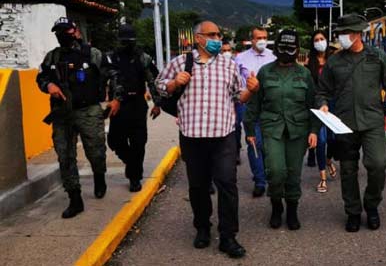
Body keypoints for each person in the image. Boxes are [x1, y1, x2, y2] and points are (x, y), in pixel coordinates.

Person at [156, 21, 257, 258]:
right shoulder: (181, 62)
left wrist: (252, 89)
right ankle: (202, 228)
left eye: (219, 35)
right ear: (198, 38)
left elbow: (238, 96)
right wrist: (173, 83)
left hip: (223, 135)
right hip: (192, 136)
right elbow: (159, 87)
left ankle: (228, 236)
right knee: (198, 187)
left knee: (227, 184)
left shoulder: (228, 65)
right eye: (211, 34)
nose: (217, 38)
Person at [316, 13, 386, 232]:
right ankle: (353, 211)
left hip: (373, 122)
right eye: (340, 33)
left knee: (378, 164)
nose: (341, 37)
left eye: (345, 33)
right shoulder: (335, 61)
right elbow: (322, 90)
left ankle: (372, 205)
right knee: (348, 170)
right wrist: (322, 104)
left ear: (358, 34)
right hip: (344, 124)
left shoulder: (377, 57)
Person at [36, 17, 123, 218]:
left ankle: (99, 176)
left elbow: (114, 74)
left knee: (96, 152)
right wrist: (49, 86)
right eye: (58, 32)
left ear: (75, 31)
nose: (62, 35)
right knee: (65, 155)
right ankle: (75, 198)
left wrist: (116, 98)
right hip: (62, 113)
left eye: (65, 31)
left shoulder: (92, 54)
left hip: (88, 111)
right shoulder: (52, 57)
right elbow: (41, 77)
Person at [245, 29, 319, 230]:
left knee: (294, 173)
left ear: (296, 50)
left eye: (290, 48)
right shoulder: (265, 72)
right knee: (276, 171)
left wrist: (314, 130)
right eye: (282, 47)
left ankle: (292, 209)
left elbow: (313, 104)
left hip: (298, 130)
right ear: (276, 48)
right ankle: (276, 206)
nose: (286, 51)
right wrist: (250, 130)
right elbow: (254, 103)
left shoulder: (304, 74)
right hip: (272, 128)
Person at [107, 24, 161, 192]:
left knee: (138, 143)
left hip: (137, 104)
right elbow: (102, 78)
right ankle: (132, 164)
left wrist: (157, 103)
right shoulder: (111, 58)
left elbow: (153, 80)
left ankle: (135, 177)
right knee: (115, 141)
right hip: (118, 106)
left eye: (129, 41)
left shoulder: (143, 58)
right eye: (123, 41)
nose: (126, 45)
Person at [235, 26, 276, 197]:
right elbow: (235, 82)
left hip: (270, 105)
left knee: (269, 143)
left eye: (265, 37)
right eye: (258, 37)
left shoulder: (273, 56)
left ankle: (270, 174)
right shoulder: (240, 58)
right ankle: (259, 180)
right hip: (249, 106)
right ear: (251, 40)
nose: (262, 41)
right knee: (254, 142)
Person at [305, 30, 338, 193]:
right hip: (317, 104)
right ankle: (323, 178)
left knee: (333, 139)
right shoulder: (309, 62)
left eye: (322, 38)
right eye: (316, 39)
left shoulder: (335, 59)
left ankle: (329, 160)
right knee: (322, 140)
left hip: (334, 103)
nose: (319, 42)